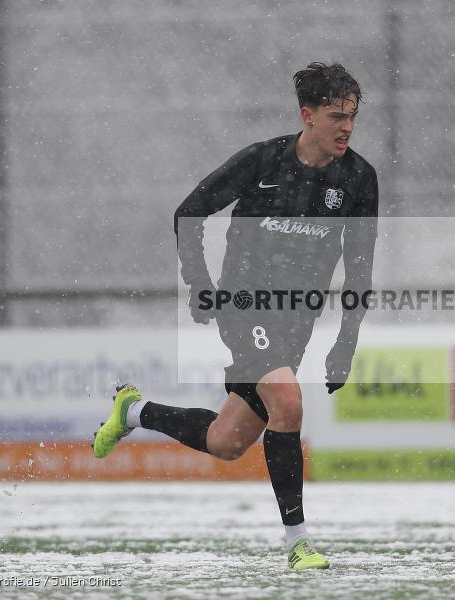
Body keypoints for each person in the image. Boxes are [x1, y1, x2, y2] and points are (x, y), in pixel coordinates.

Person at [93, 62, 378, 571]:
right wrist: (201, 284)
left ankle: (133, 411)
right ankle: (299, 544)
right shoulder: (263, 161)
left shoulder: (358, 178)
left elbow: (360, 266)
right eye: (337, 116)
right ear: (306, 116)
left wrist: (346, 342)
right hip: (244, 305)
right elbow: (189, 212)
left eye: (353, 116)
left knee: (228, 442)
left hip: (297, 321)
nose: (347, 127)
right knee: (288, 402)